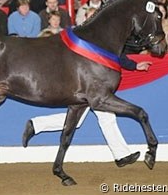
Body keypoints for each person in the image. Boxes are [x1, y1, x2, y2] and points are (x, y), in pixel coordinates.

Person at [22, 54, 153, 167]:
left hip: (93, 84)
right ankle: (121, 155)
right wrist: (133, 65)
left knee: (104, 118)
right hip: (90, 84)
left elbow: (115, 53)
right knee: (101, 119)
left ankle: (121, 155)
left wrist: (134, 65)